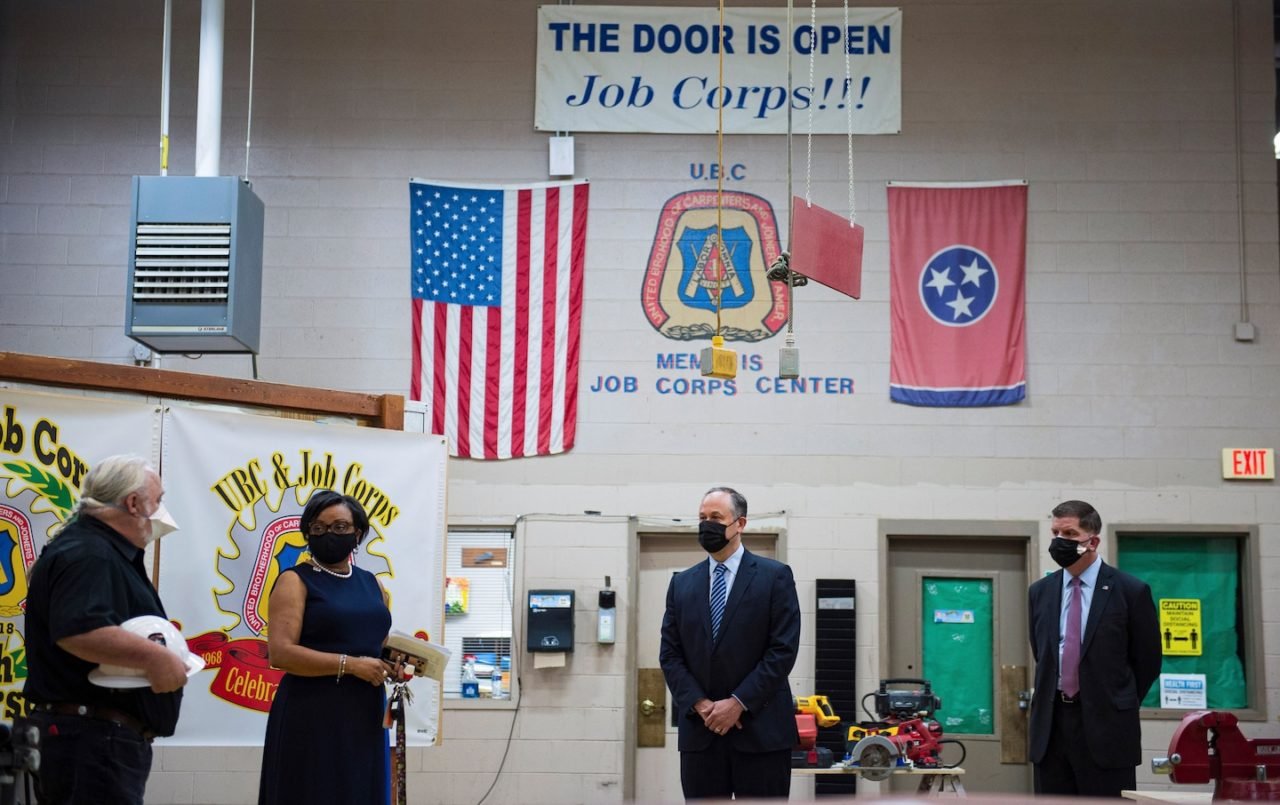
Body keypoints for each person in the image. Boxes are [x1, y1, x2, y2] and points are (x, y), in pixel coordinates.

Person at [21, 454, 189, 805]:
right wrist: (159, 660)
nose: (160, 510)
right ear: (132, 503)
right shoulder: (90, 553)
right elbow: (79, 630)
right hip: (90, 742)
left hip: (95, 741)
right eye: (157, 501)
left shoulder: (98, 550)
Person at [659, 486, 801, 800]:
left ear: (740, 523)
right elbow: (670, 655)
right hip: (701, 731)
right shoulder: (681, 584)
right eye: (702, 518)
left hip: (761, 731)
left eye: (716, 517)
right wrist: (701, 704)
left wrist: (737, 703)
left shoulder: (774, 577)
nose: (707, 524)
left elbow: (782, 651)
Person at [258, 490, 394, 805]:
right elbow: (281, 653)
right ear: (307, 533)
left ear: (358, 533)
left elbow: (378, 645)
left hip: (365, 711)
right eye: (318, 528)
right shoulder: (294, 580)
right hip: (313, 712)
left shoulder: (372, 584)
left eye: (340, 527)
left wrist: (399, 665)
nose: (329, 534)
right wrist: (351, 665)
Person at [1028, 499, 1162, 797]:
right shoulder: (1041, 592)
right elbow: (1043, 654)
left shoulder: (1130, 591)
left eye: (1070, 534)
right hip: (1052, 730)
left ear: (1093, 540)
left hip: (1107, 729)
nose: (1059, 542)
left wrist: (1114, 699)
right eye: (1055, 533)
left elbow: (1148, 662)